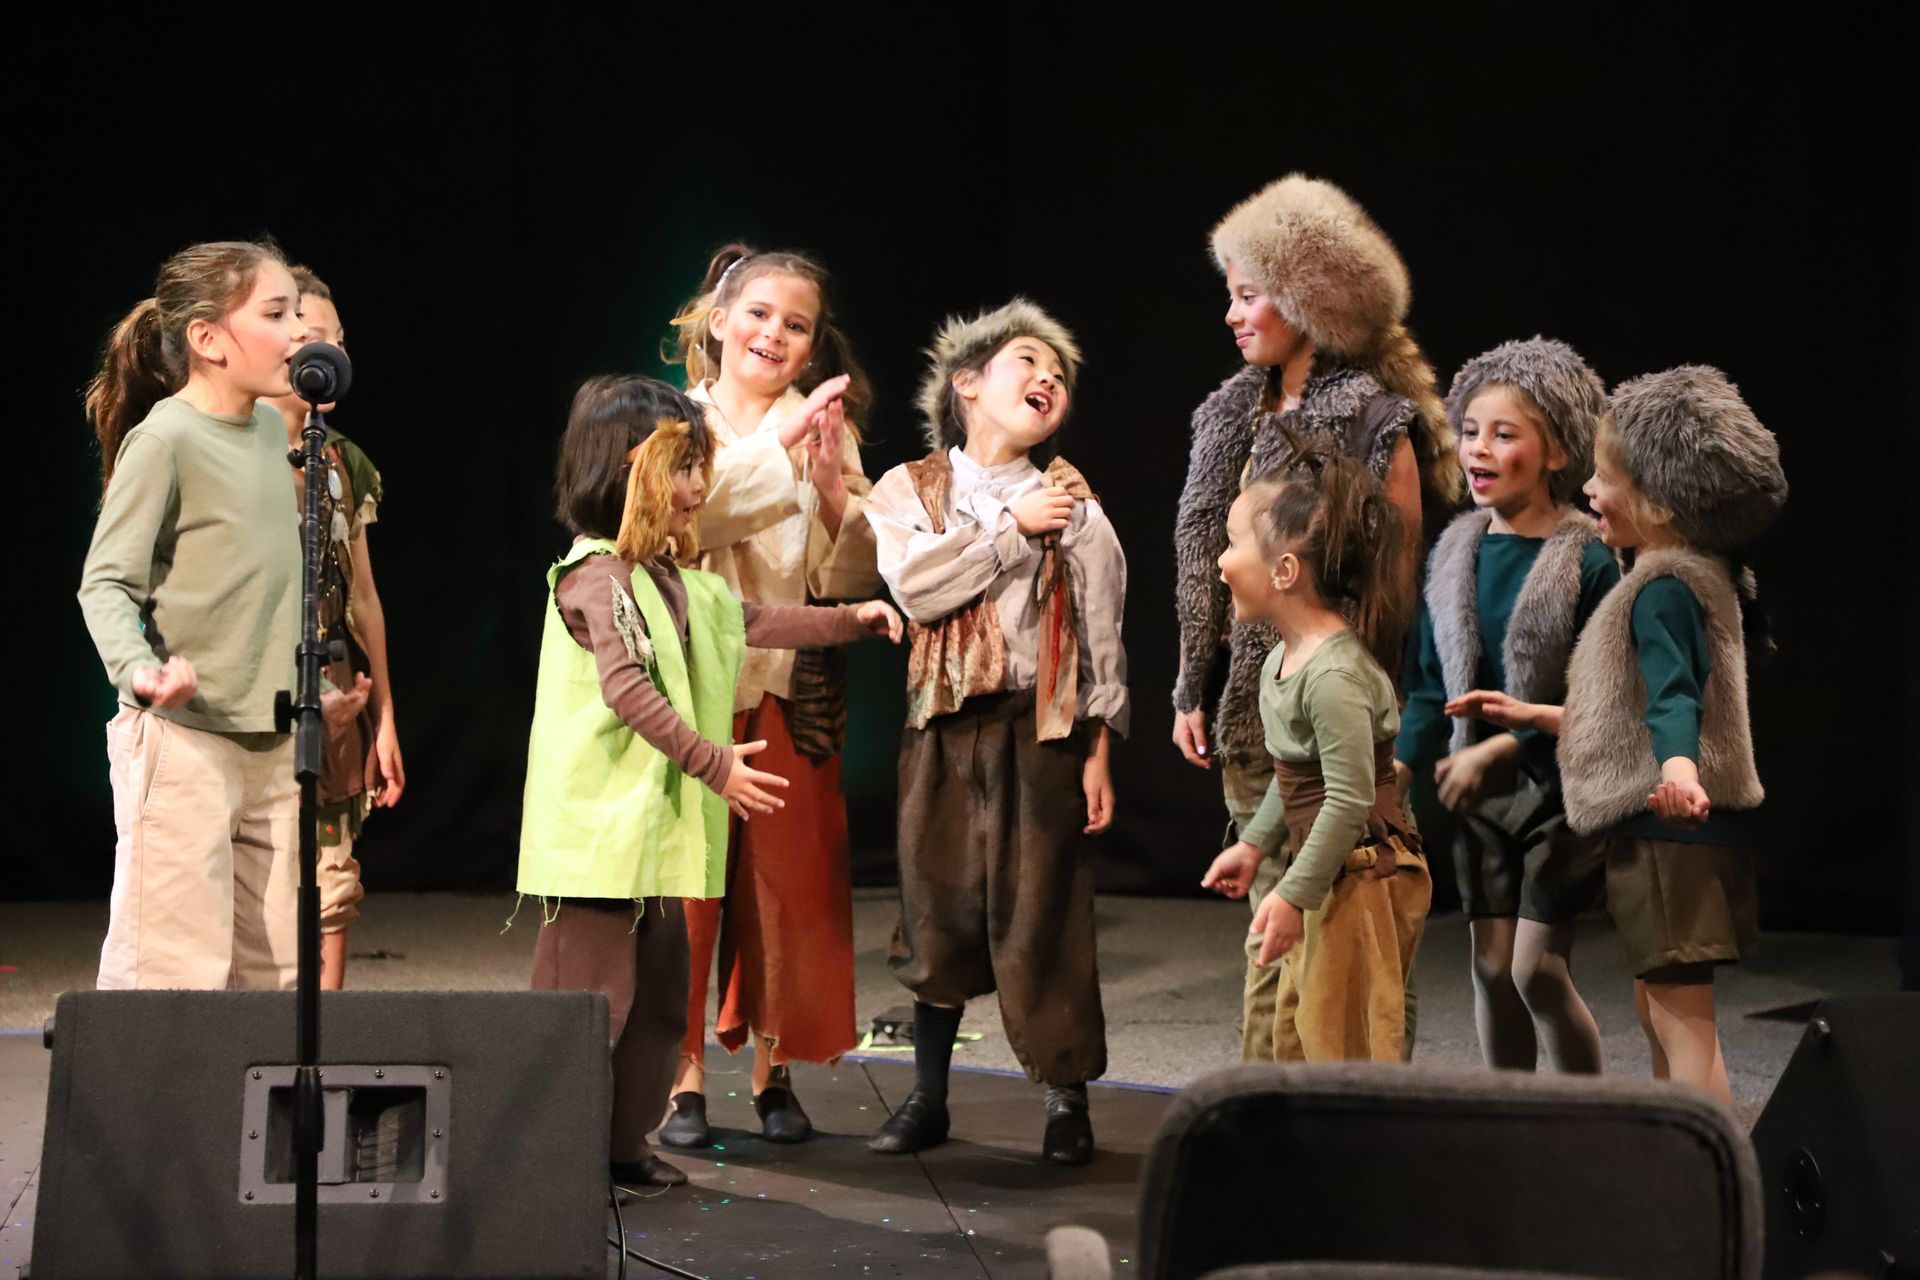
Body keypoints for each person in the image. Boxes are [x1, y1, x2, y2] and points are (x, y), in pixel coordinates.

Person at [516, 375, 899, 1186]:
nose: (698, 489)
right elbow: (629, 688)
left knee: (658, 1010)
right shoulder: (597, 577)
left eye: (701, 466)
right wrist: (716, 761)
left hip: (649, 838)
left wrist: (853, 620)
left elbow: (756, 620)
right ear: (622, 471)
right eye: (682, 468)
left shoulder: (679, 581)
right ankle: (549, 1162)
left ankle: (623, 1148)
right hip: (595, 843)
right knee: (588, 1012)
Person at [862, 299, 1127, 1164]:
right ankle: (929, 1096)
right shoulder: (908, 489)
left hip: (1037, 727)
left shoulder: (1075, 506)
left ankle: (1064, 1101)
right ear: (968, 384)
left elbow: (1099, 634)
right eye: (1027, 360)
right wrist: (1012, 532)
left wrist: (1098, 751)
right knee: (933, 909)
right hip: (940, 727)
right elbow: (921, 587)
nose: (1047, 377)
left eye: (1060, 372)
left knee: (1042, 911)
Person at [79, 240, 307, 991]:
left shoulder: (273, 431)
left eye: (297, 312)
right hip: (185, 746)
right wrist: (140, 670)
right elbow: (106, 583)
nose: (297, 331)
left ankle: (239, 1118)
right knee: (173, 975)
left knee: (269, 978)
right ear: (208, 340)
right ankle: (139, 1113)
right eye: (276, 314)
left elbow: (260, 584)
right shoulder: (166, 439)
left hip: (270, 744)